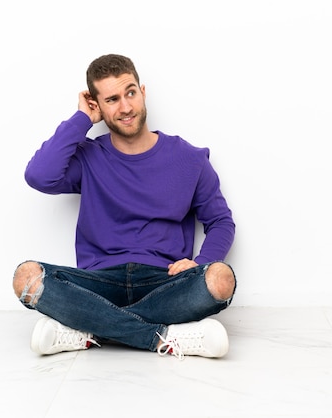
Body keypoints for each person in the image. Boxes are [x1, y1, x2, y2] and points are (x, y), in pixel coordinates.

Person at [12, 54, 236, 360]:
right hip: (98, 282)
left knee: (221, 279)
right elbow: (38, 175)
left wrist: (202, 262)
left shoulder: (190, 158)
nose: (126, 107)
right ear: (98, 106)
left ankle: (87, 327)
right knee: (26, 277)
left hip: (164, 281)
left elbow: (221, 222)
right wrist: (81, 120)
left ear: (142, 92)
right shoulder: (89, 157)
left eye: (130, 93)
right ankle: (165, 337)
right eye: (112, 99)